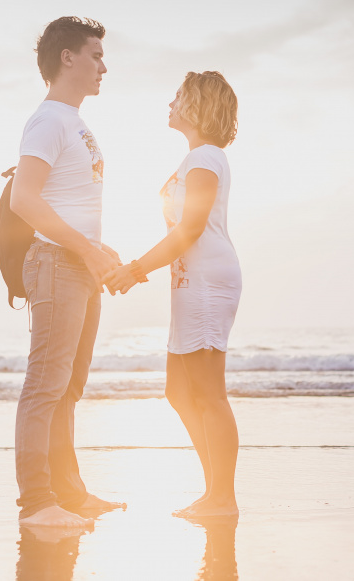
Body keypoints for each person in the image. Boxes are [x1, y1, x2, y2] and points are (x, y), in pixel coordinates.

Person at [105, 71, 242, 518]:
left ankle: (222, 498)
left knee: (208, 392)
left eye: (178, 96)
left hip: (207, 282)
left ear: (197, 106)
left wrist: (136, 270)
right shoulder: (196, 158)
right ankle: (214, 491)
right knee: (179, 391)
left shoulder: (204, 158)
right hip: (191, 281)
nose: (170, 103)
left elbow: (190, 229)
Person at [9, 16, 125, 528]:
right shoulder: (48, 121)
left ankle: (69, 494)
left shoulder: (73, 122)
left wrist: (97, 250)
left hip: (78, 264)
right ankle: (37, 502)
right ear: (67, 57)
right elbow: (24, 199)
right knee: (45, 386)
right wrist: (84, 249)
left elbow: (67, 201)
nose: (104, 66)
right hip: (56, 264)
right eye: (96, 55)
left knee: (68, 389)